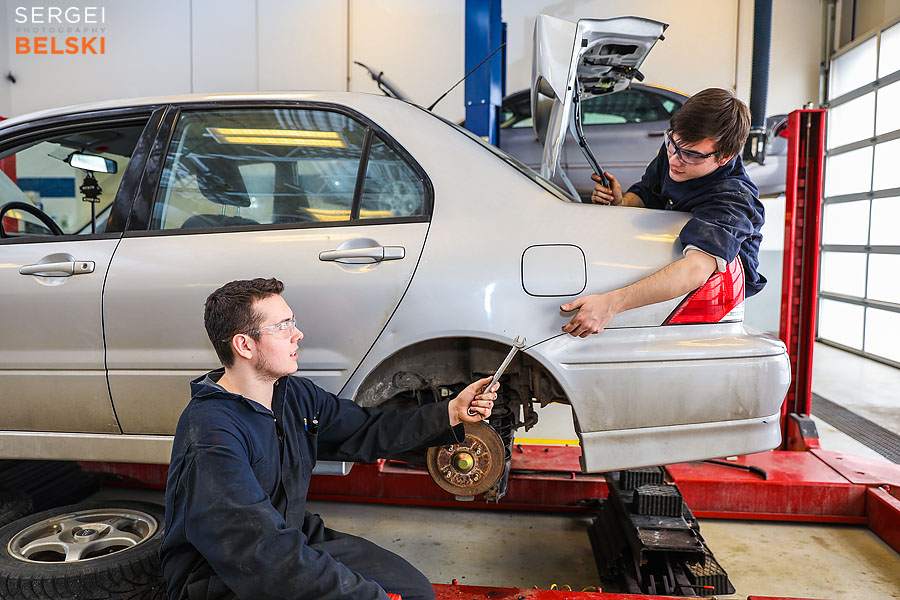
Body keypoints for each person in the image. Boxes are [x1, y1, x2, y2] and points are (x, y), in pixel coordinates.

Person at [160, 277, 497, 600]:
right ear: (244, 345)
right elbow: (257, 552)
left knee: (413, 590)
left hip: (287, 534)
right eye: (282, 327)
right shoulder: (210, 433)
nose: (298, 335)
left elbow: (364, 429)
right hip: (220, 576)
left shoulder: (293, 396)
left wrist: (450, 412)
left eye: (293, 322)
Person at [561, 87, 765, 338]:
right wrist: (620, 203)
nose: (676, 160)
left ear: (725, 157)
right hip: (664, 278)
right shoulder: (677, 152)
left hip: (705, 302)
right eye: (673, 144)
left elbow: (695, 270)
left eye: (691, 155)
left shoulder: (733, 200)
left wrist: (611, 304)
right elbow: (648, 194)